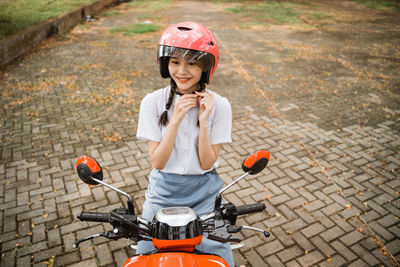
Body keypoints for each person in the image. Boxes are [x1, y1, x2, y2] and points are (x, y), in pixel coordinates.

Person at [136, 21, 234, 266]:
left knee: (220, 258)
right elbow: (158, 161)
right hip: (162, 193)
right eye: (175, 62)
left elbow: (207, 162)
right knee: (145, 255)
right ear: (165, 64)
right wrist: (176, 118)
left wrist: (203, 119)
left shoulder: (219, 105)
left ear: (206, 67)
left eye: (192, 63)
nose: (182, 70)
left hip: (205, 193)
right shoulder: (152, 102)